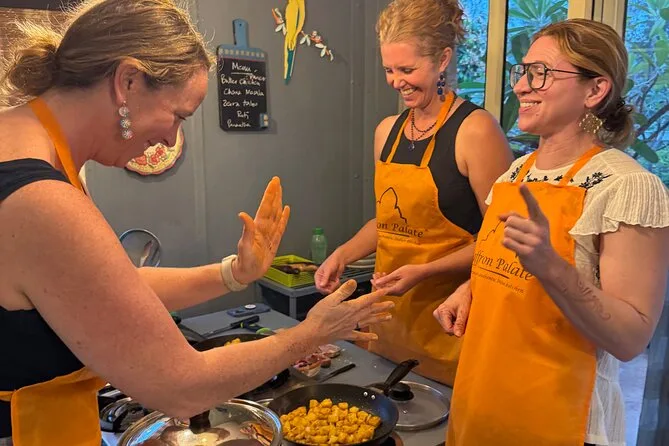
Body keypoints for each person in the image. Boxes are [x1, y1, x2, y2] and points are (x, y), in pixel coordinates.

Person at [0, 1, 393, 445]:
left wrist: (234, 273)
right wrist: (313, 333)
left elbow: (107, 291)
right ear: (127, 82)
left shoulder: (23, 146)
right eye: (179, 116)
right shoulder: (39, 198)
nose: (171, 138)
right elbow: (183, 387)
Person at [435, 19, 669, 446]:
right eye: (522, 72)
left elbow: (630, 337)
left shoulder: (627, 186)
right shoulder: (514, 173)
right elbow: (508, 270)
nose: (520, 86)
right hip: (483, 402)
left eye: (540, 73)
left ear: (595, 90)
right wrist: (471, 289)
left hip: (561, 421)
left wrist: (552, 267)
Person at [315, 0, 513, 386]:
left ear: (442, 60)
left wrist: (424, 271)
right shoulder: (386, 131)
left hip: (450, 323)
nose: (396, 81)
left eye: (407, 70)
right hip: (388, 323)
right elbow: (390, 222)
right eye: (389, 70)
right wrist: (342, 254)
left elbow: (501, 238)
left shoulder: (476, 131)